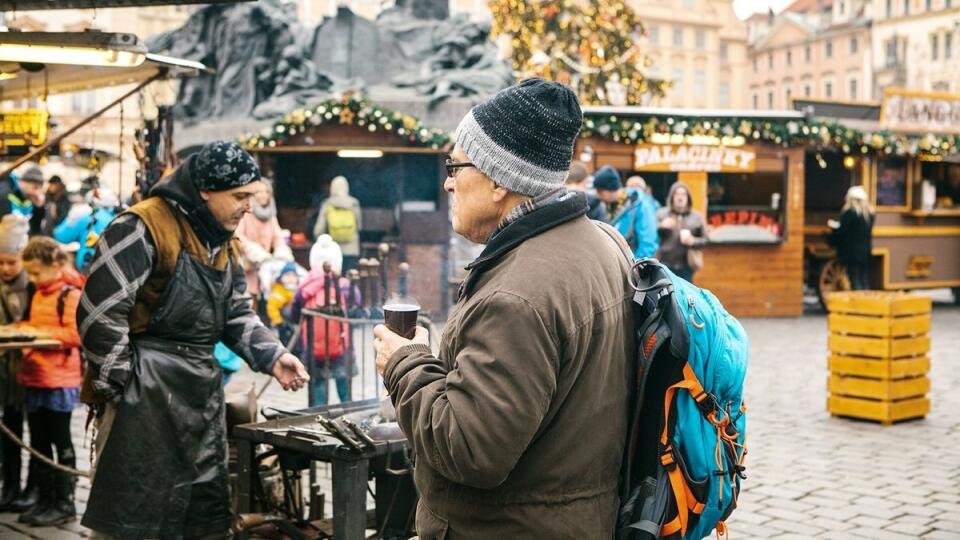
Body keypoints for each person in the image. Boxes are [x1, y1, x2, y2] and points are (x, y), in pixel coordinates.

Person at [372, 78, 634, 537]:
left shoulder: (514, 296)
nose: (448, 183)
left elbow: (471, 449)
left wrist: (404, 362)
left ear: (497, 180)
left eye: (455, 166)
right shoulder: (606, 242)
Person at [76, 141, 309, 539]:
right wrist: (123, 384)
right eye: (239, 196)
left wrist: (273, 355)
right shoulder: (141, 226)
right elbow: (101, 312)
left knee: (198, 515)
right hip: (144, 391)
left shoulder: (222, 240)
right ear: (205, 190)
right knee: (134, 515)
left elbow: (235, 313)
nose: (247, 207)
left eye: (251, 196)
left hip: (200, 390)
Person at [15, 237, 83, 526]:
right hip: (35, 376)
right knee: (39, 442)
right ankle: (45, 500)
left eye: (35, 272)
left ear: (54, 265)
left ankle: (64, 502)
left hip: (59, 380)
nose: (31, 279)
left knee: (61, 440)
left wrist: (35, 334)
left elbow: (74, 335)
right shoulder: (39, 292)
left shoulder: (69, 294)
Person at [291, 235, 357, 405]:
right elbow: (356, 306)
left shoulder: (305, 286)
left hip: (314, 349)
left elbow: (294, 314)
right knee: (344, 384)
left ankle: (317, 416)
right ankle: (349, 412)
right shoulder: (344, 286)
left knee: (318, 385)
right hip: (341, 347)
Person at [0, 216, 33, 514]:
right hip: (3, 373)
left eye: (12, 262)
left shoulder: (34, 286)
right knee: (7, 433)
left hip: (27, 370)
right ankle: (9, 486)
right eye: (1, 263)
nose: (7, 269)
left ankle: (32, 489)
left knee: (34, 433)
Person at [236, 178, 290, 301]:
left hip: (265, 267)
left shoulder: (271, 216)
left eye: (266, 192)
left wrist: (281, 250)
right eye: (259, 192)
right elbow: (237, 235)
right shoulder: (246, 212)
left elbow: (278, 237)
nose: (263, 195)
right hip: (247, 267)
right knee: (249, 301)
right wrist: (252, 249)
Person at [592, 166, 659, 259]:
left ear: (610, 189)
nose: (597, 195)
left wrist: (636, 268)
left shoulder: (640, 205)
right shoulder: (607, 205)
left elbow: (648, 243)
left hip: (631, 268)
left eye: (600, 191)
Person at [52, 189, 119, 274]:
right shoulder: (118, 218)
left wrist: (71, 218)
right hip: (113, 272)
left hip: (88, 271)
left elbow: (61, 236)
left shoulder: (87, 216)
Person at [656, 181, 708, 283]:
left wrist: (693, 241)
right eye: (677, 194)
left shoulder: (697, 217)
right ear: (671, 197)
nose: (680, 197)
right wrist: (661, 227)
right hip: (664, 265)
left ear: (688, 198)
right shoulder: (662, 214)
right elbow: (651, 235)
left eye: (683, 194)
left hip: (686, 267)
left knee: (686, 296)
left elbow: (706, 240)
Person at [828, 185, 875, 290]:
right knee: (864, 279)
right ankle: (867, 303)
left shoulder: (850, 213)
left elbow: (842, 231)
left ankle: (858, 304)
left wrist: (833, 230)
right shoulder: (869, 215)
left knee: (855, 279)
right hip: (866, 252)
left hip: (852, 252)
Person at [313, 175, 361, 272]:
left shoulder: (327, 204)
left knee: (334, 281)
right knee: (350, 281)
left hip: (332, 251)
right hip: (352, 250)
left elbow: (319, 229)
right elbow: (359, 226)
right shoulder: (354, 203)